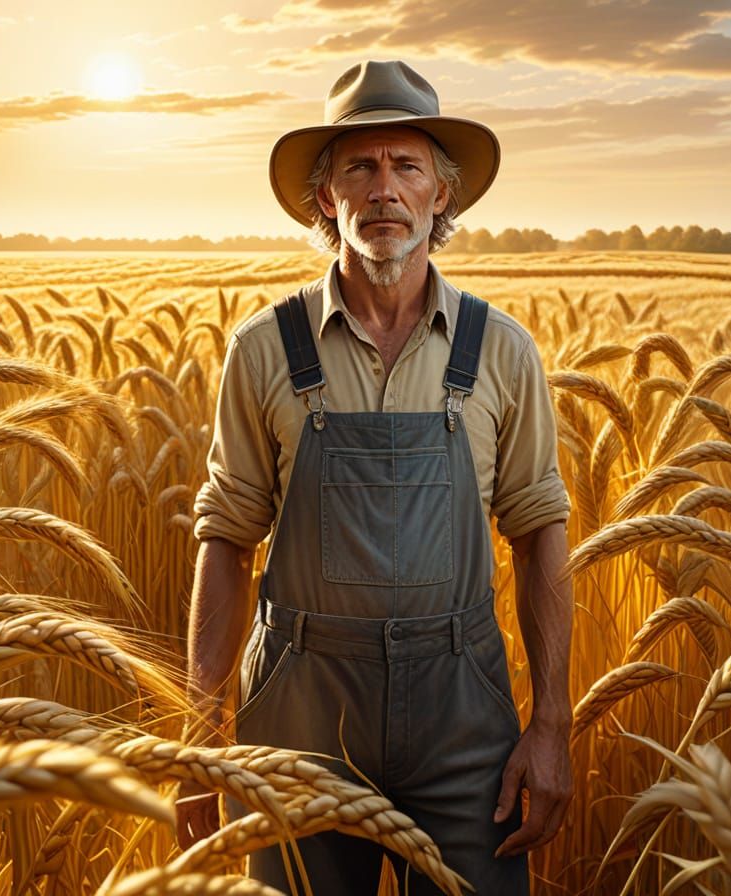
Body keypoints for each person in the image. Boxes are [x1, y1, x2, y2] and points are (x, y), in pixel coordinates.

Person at [180, 59, 573, 894]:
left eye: (407, 166)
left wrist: (552, 724)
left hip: (466, 726)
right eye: (359, 166)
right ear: (327, 197)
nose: (383, 189)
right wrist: (197, 734)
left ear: (443, 195)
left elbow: (541, 533)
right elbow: (224, 541)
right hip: (297, 723)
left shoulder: (501, 350)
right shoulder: (263, 349)